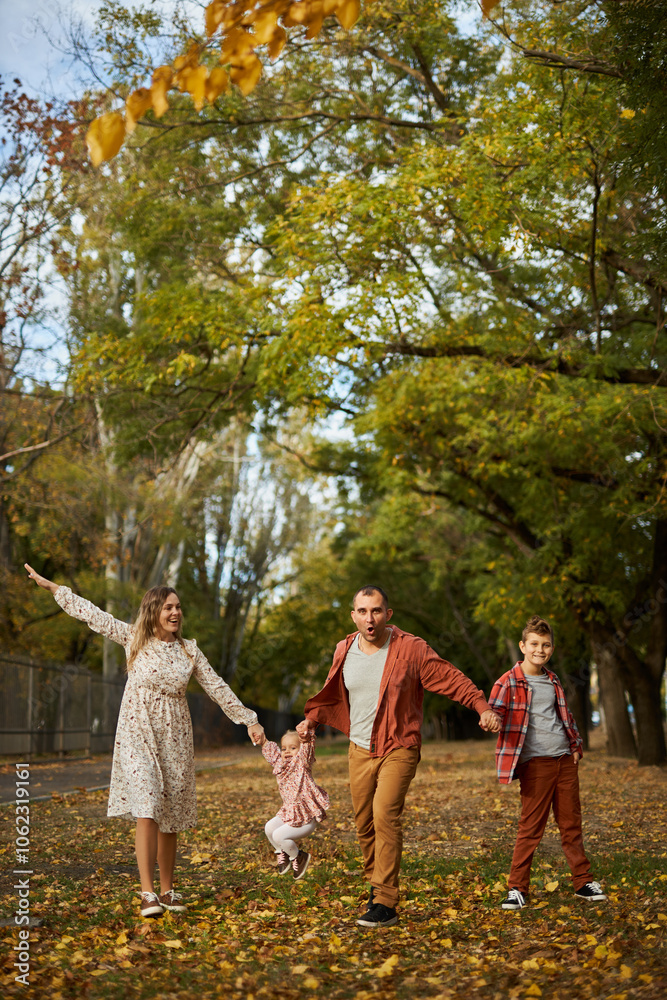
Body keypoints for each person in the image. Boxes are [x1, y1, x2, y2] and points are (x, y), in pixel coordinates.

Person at [24, 563, 264, 919]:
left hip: (176, 735)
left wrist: (249, 720)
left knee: (171, 814)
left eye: (178, 607)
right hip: (138, 731)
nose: (176, 612)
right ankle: (147, 892)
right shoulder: (134, 638)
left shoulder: (189, 651)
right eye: (169, 607)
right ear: (153, 611)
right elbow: (95, 615)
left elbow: (216, 686)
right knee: (148, 804)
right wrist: (55, 589)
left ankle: (168, 890)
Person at [297, 585, 501, 928]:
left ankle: (386, 902)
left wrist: (481, 706)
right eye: (362, 611)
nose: (369, 618)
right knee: (364, 825)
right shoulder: (344, 649)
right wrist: (311, 722)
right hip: (359, 748)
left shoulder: (411, 648)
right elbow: (331, 690)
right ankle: (377, 890)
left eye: (376, 611)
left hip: (399, 746)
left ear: (388, 615)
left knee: (384, 814)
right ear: (353, 615)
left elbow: (450, 677)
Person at [488, 614, 606, 910]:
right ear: (523, 646)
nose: (540, 650)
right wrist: (490, 720)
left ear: (551, 649)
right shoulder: (508, 682)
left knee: (571, 824)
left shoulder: (552, 680)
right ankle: (517, 888)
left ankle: (583, 882)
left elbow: (565, 718)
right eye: (535, 644)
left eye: (546, 645)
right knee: (531, 827)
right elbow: (494, 712)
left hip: (565, 760)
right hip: (535, 765)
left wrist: (575, 747)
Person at [258, 728, 329, 881]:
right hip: (288, 813)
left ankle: (299, 857)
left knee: (278, 835)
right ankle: (281, 851)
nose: (287, 751)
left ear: (300, 749)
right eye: (284, 748)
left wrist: (305, 738)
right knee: (269, 828)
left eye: (293, 748)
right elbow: (271, 752)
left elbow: (307, 750)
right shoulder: (281, 765)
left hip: (305, 818)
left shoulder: (302, 763)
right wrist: (262, 740)